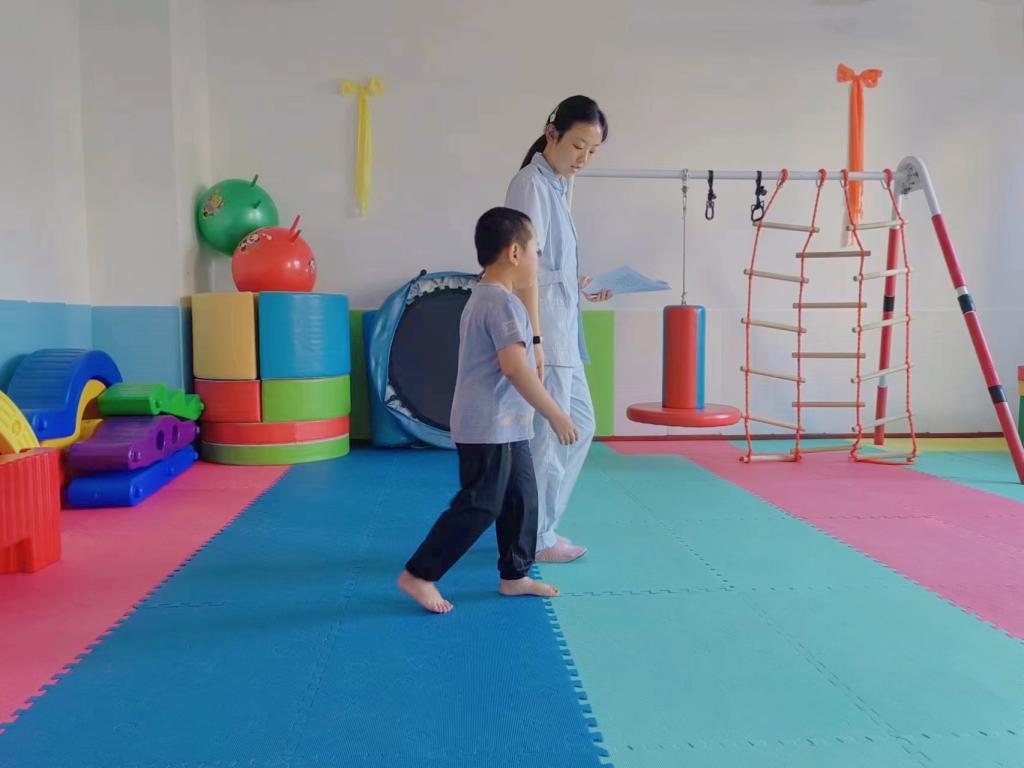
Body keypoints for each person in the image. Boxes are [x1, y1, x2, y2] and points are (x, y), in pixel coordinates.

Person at [398, 207, 580, 614]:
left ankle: (515, 575)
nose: (537, 260)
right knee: (481, 504)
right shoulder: (499, 303)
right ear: (514, 252)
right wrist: (555, 412)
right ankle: (420, 574)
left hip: (509, 426)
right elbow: (514, 368)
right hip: (487, 427)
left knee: (522, 499)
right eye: (535, 250)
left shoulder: (491, 297)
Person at [504, 95, 611, 564]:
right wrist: (535, 339)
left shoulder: (560, 185)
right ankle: (536, 537)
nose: (584, 158)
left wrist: (581, 284)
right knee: (549, 437)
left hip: (563, 327)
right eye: (578, 146)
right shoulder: (531, 184)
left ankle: (538, 527)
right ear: (552, 135)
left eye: (593, 150)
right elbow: (522, 268)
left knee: (579, 426)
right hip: (545, 331)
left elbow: (550, 265)